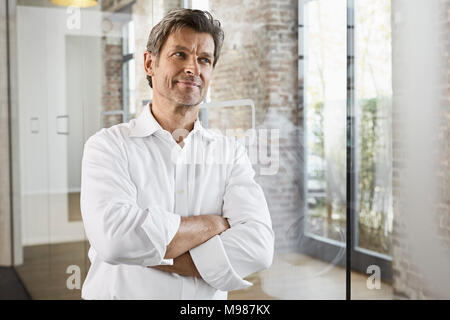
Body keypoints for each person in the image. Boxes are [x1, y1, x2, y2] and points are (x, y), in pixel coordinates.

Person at [80, 8, 274, 300]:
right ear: (149, 63)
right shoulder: (108, 146)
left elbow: (258, 247)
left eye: (204, 60)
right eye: (179, 55)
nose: (193, 68)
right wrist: (213, 224)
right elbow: (116, 241)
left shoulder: (229, 152)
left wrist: (156, 255)